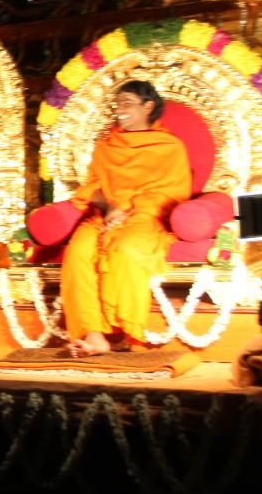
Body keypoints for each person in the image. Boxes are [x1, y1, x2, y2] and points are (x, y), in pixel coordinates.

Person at [60, 80, 193, 354]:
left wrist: (132, 210)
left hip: (146, 216)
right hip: (104, 215)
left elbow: (173, 193)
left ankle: (128, 334)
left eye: (127, 103)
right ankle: (93, 335)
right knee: (78, 251)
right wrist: (110, 207)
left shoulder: (170, 147)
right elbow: (92, 187)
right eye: (117, 104)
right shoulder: (106, 146)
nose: (119, 109)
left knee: (127, 249)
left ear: (148, 106)